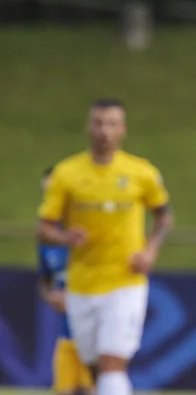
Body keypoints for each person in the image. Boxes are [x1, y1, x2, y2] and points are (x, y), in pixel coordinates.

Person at [37, 98, 174, 395]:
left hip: (125, 281)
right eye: (99, 123)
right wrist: (65, 237)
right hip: (82, 284)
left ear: (122, 129)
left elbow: (163, 216)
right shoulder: (67, 173)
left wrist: (150, 251)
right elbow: (44, 228)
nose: (104, 130)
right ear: (89, 126)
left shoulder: (141, 172)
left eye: (112, 123)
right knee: (96, 368)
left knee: (112, 364)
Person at [37, 166, 95, 395]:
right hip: (66, 334)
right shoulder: (46, 240)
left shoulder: (89, 229)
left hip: (93, 333)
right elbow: (45, 281)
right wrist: (51, 297)